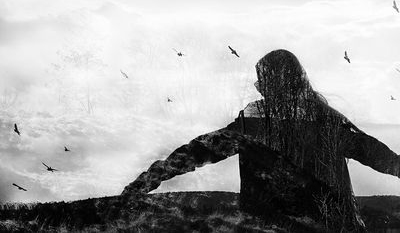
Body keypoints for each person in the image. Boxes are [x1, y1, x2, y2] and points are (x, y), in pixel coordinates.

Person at [122, 49, 400, 231]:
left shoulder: (252, 124)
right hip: (332, 223)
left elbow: (197, 152)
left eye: (262, 82)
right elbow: (378, 155)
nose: (260, 88)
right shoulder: (328, 121)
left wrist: (146, 181)